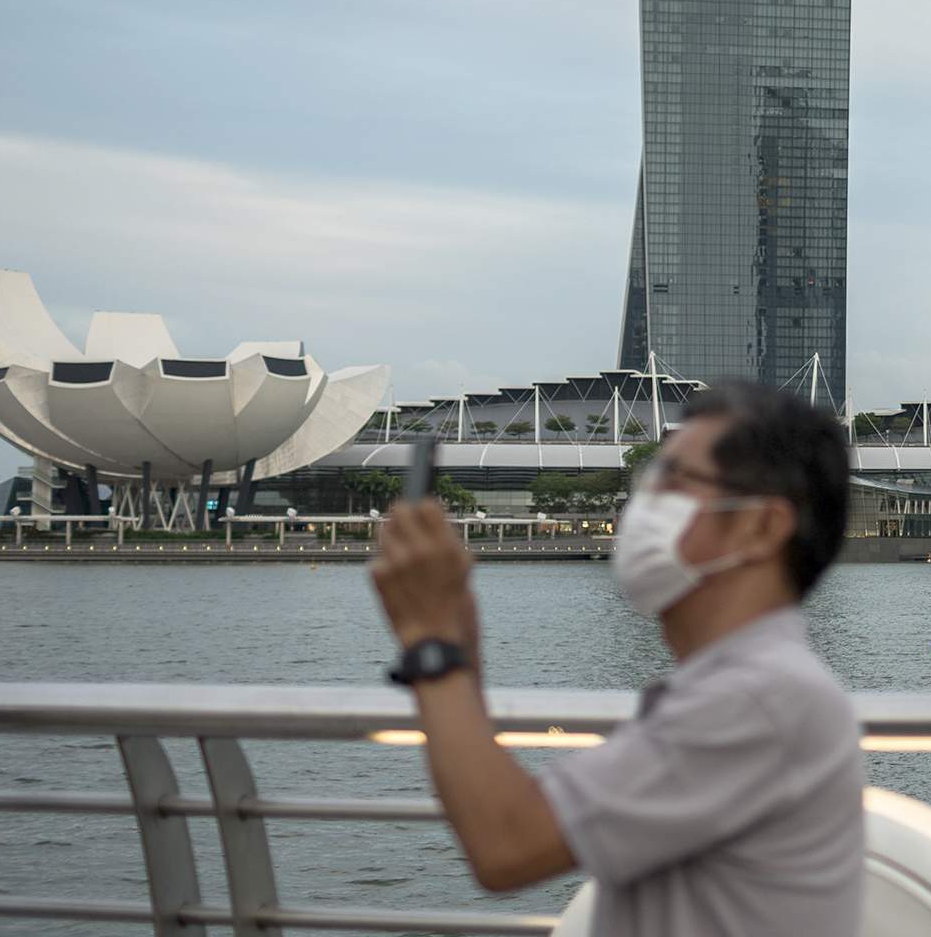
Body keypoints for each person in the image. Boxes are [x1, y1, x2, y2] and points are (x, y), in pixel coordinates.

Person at [369, 381, 864, 937]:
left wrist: (431, 641)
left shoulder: (760, 700)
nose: (644, 504)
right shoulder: (739, 685)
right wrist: (454, 628)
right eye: (648, 480)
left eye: (674, 481)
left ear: (761, 525)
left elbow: (506, 843)